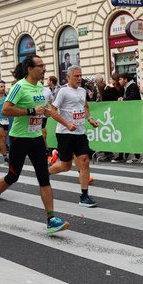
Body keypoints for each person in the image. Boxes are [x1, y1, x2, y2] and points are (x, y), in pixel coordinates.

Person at [0, 55, 71, 234]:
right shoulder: (19, 86)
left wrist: (56, 118)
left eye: (44, 65)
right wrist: (31, 111)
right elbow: (6, 109)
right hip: (19, 138)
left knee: (43, 177)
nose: (44, 68)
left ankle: (51, 219)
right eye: (40, 66)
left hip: (36, 137)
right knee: (13, 176)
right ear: (30, 69)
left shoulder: (40, 86)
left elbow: (45, 110)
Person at [47, 66, 98, 207]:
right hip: (65, 134)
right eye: (76, 76)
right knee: (66, 166)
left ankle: (84, 196)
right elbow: (53, 111)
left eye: (80, 75)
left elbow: (85, 106)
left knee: (85, 161)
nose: (79, 78)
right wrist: (67, 124)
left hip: (80, 133)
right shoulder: (63, 92)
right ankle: (44, 173)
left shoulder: (82, 91)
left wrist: (90, 119)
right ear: (68, 77)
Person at [0, 80, 10, 162]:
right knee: (2, 137)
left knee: (2, 138)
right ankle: (5, 157)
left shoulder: (7, 98)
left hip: (5, 120)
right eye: (1, 86)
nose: (3, 88)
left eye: (4, 86)